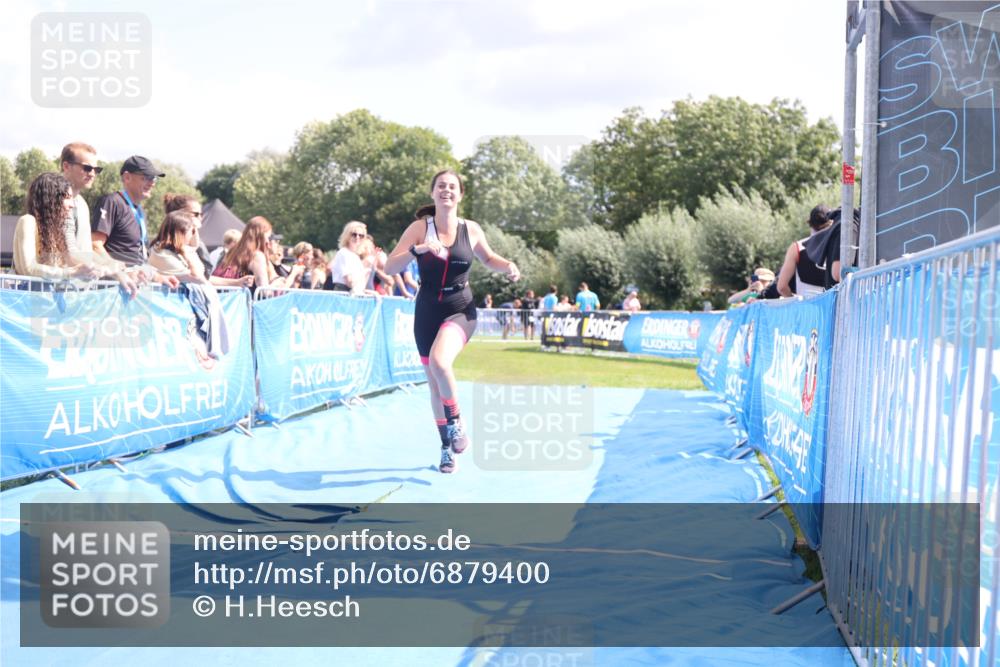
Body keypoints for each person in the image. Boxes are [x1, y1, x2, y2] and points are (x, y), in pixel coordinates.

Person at [385, 169, 519, 473]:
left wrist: (508, 265)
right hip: (427, 309)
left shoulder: (470, 229)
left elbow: (489, 258)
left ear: (460, 194)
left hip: (460, 306)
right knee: (434, 386)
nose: (446, 190)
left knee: (440, 362)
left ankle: (456, 421)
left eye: (452, 187)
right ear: (433, 193)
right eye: (441, 186)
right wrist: (417, 250)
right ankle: (447, 447)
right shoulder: (420, 228)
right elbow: (391, 265)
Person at [13, 173, 134, 291]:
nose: (71, 205)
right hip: (26, 302)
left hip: (45, 302)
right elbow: (29, 268)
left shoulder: (55, 231)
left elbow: (75, 257)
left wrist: (113, 269)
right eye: (67, 198)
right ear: (51, 199)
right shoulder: (28, 221)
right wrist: (72, 272)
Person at [92, 155, 163, 267]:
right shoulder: (112, 202)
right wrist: (120, 272)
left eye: (153, 178)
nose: (152, 183)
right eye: (146, 177)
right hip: (115, 282)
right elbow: (95, 244)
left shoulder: (140, 211)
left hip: (136, 281)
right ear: (127, 177)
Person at [211, 216, 301, 291]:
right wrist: (277, 283)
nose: (267, 241)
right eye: (267, 237)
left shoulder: (233, 252)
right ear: (260, 236)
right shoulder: (256, 255)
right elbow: (264, 291)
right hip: (247, 308)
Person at [777, 205, 833, 298]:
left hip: (806, 308)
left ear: (810, 223)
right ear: (831, 223)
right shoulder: (839, 248)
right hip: (833, 307)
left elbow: (782, 287)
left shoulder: (797, 248)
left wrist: (794, 301)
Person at [164, 193, 213, 280]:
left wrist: (236, 282)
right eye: (196, 214)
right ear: (180, 215)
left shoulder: (195, 245)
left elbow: (206, 278)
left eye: (201, 214)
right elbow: (197, 279)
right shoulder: (166, 248)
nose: (200, 218)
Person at [326, 221, 369, 293]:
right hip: (344, 294)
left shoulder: (355, 256)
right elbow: (349, 282)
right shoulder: (344, 253)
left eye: (361, 235)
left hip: (353, 293)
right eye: (354, 234)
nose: (357, 237)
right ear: (347, 236)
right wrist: (365, 272)